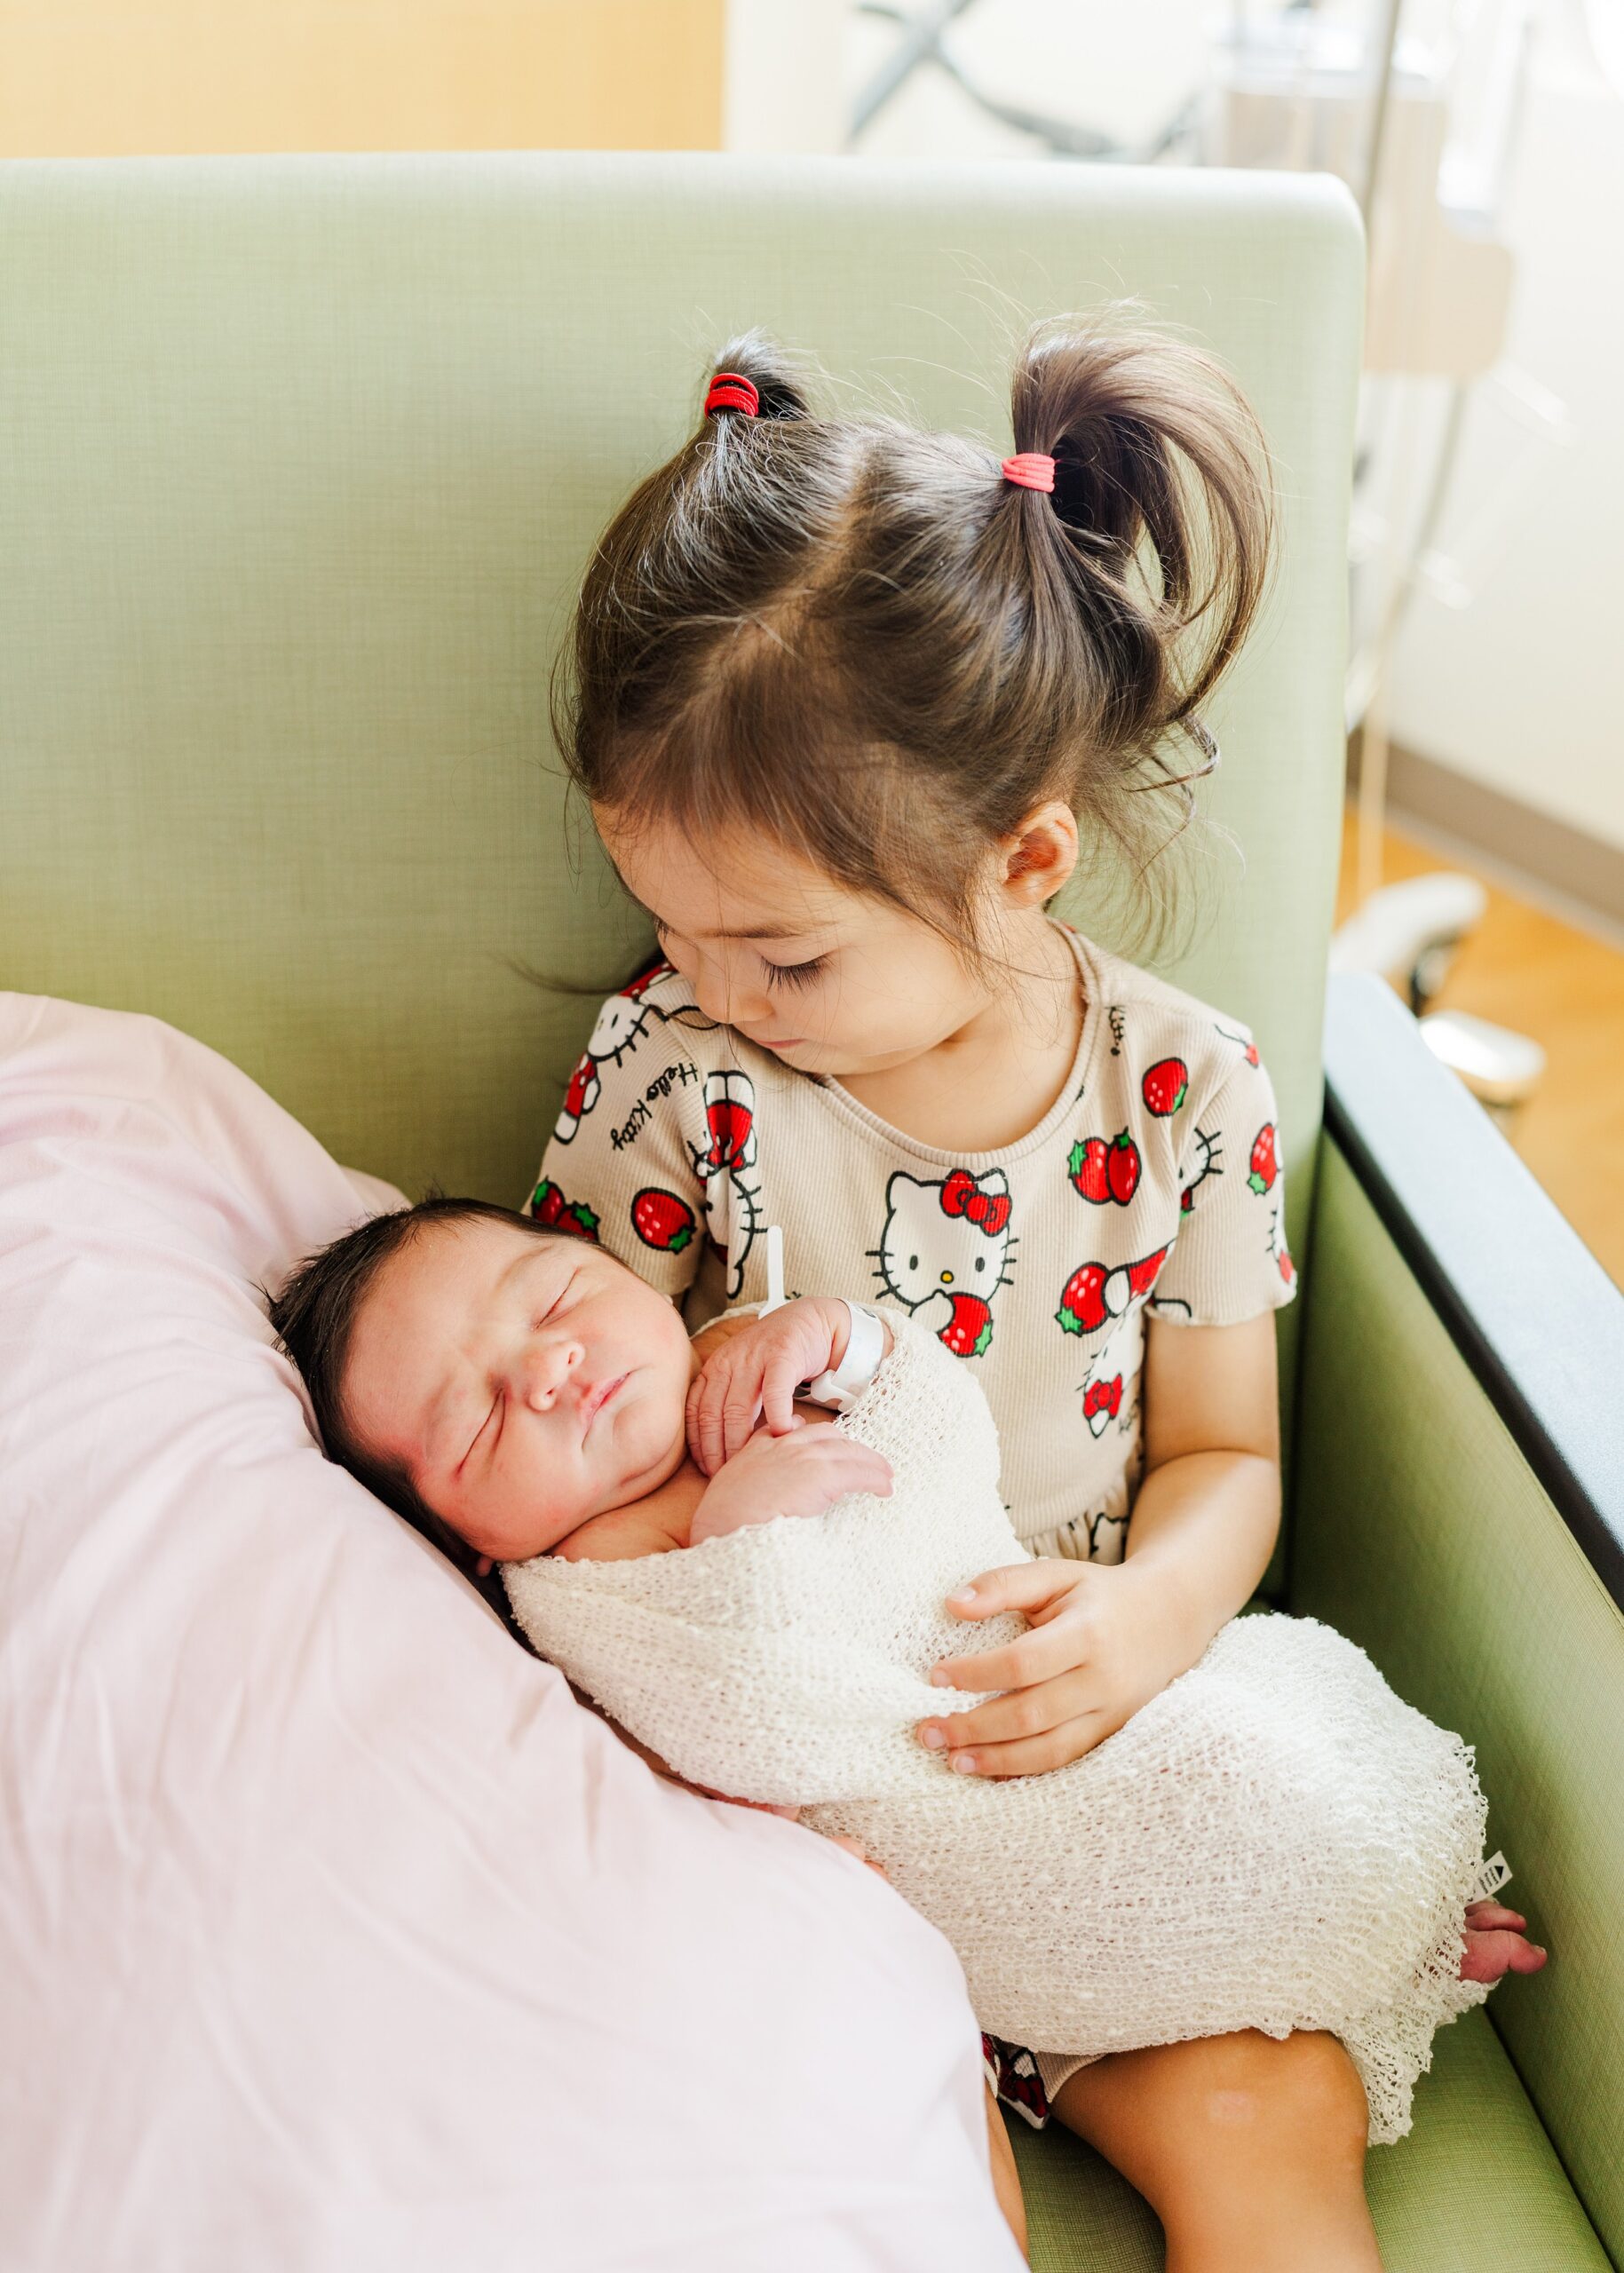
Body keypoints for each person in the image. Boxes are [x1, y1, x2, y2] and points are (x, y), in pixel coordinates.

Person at [514, 320, 1543, 2271]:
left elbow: (1228, 1451)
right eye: (669, 925)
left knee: (1268, 2111)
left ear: (1025, 859)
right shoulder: (671, 1083)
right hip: (810, 1767)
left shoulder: (1184, 1089)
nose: (714, 988)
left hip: (1089, 1727)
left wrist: (1153, 1616)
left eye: (785, 954)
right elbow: (586, 1470)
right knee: (856, 2136)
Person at [269, 1198, 1541, 2271]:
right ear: (464, 1539)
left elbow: (941, 1451)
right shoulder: (577, 1584)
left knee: (1272, 2050)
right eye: (478, 1418)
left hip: (1079, 1724)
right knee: (1243, 2089)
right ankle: (1311, 1923)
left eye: (553, 1300)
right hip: (978, 1925)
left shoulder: (748, 1363)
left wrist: (859, 1343)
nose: (545, 1370)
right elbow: (751, 1724)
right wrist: (744, 1543)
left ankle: (1342, 1933)